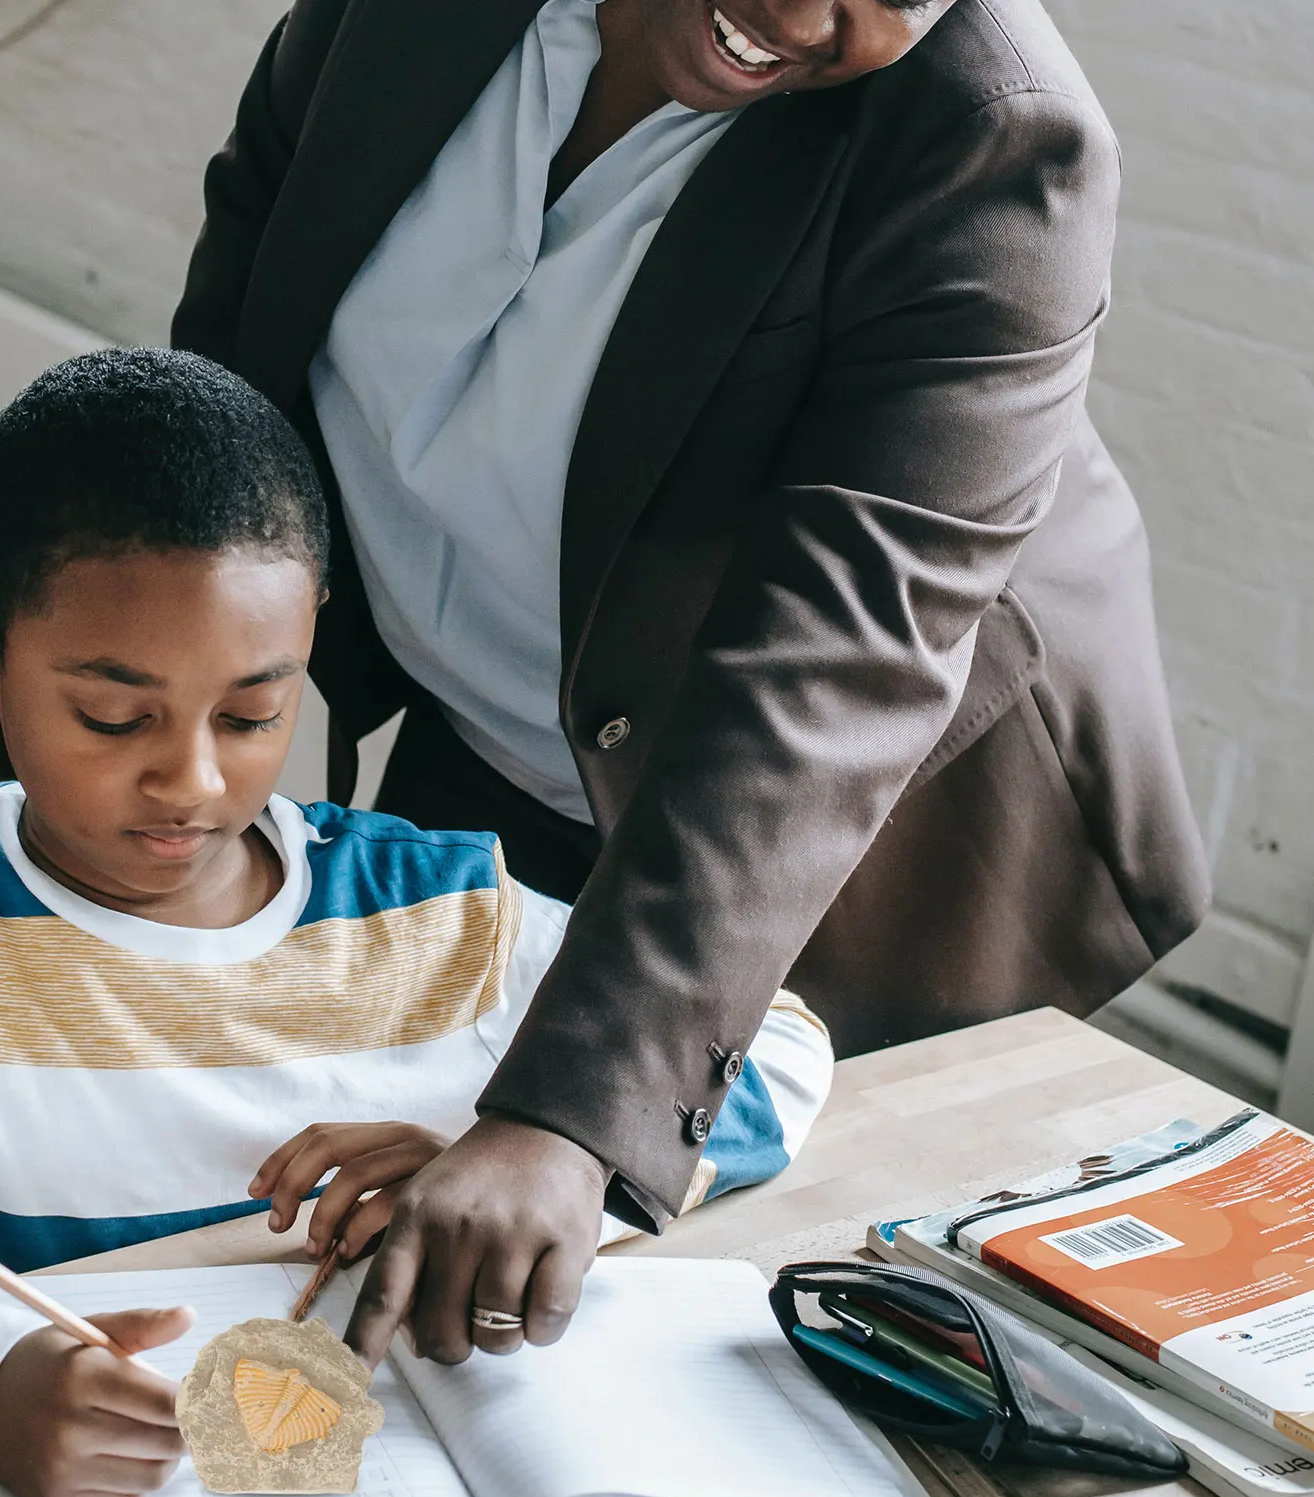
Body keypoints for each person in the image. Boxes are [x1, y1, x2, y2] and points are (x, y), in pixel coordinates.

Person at [172, 0, 1210, 1368]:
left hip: (852, 874)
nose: (797, 12)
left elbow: (839, 659)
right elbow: (255, 282)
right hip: (489, 737)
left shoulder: (991, 136)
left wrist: (575, 1117)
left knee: (761, 1371)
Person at [0, 348, 832, 1497]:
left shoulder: (434, 912)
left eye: (254, 711)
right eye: (113, 715)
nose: (193, 781)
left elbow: (783, 1049)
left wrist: (536, 1158)